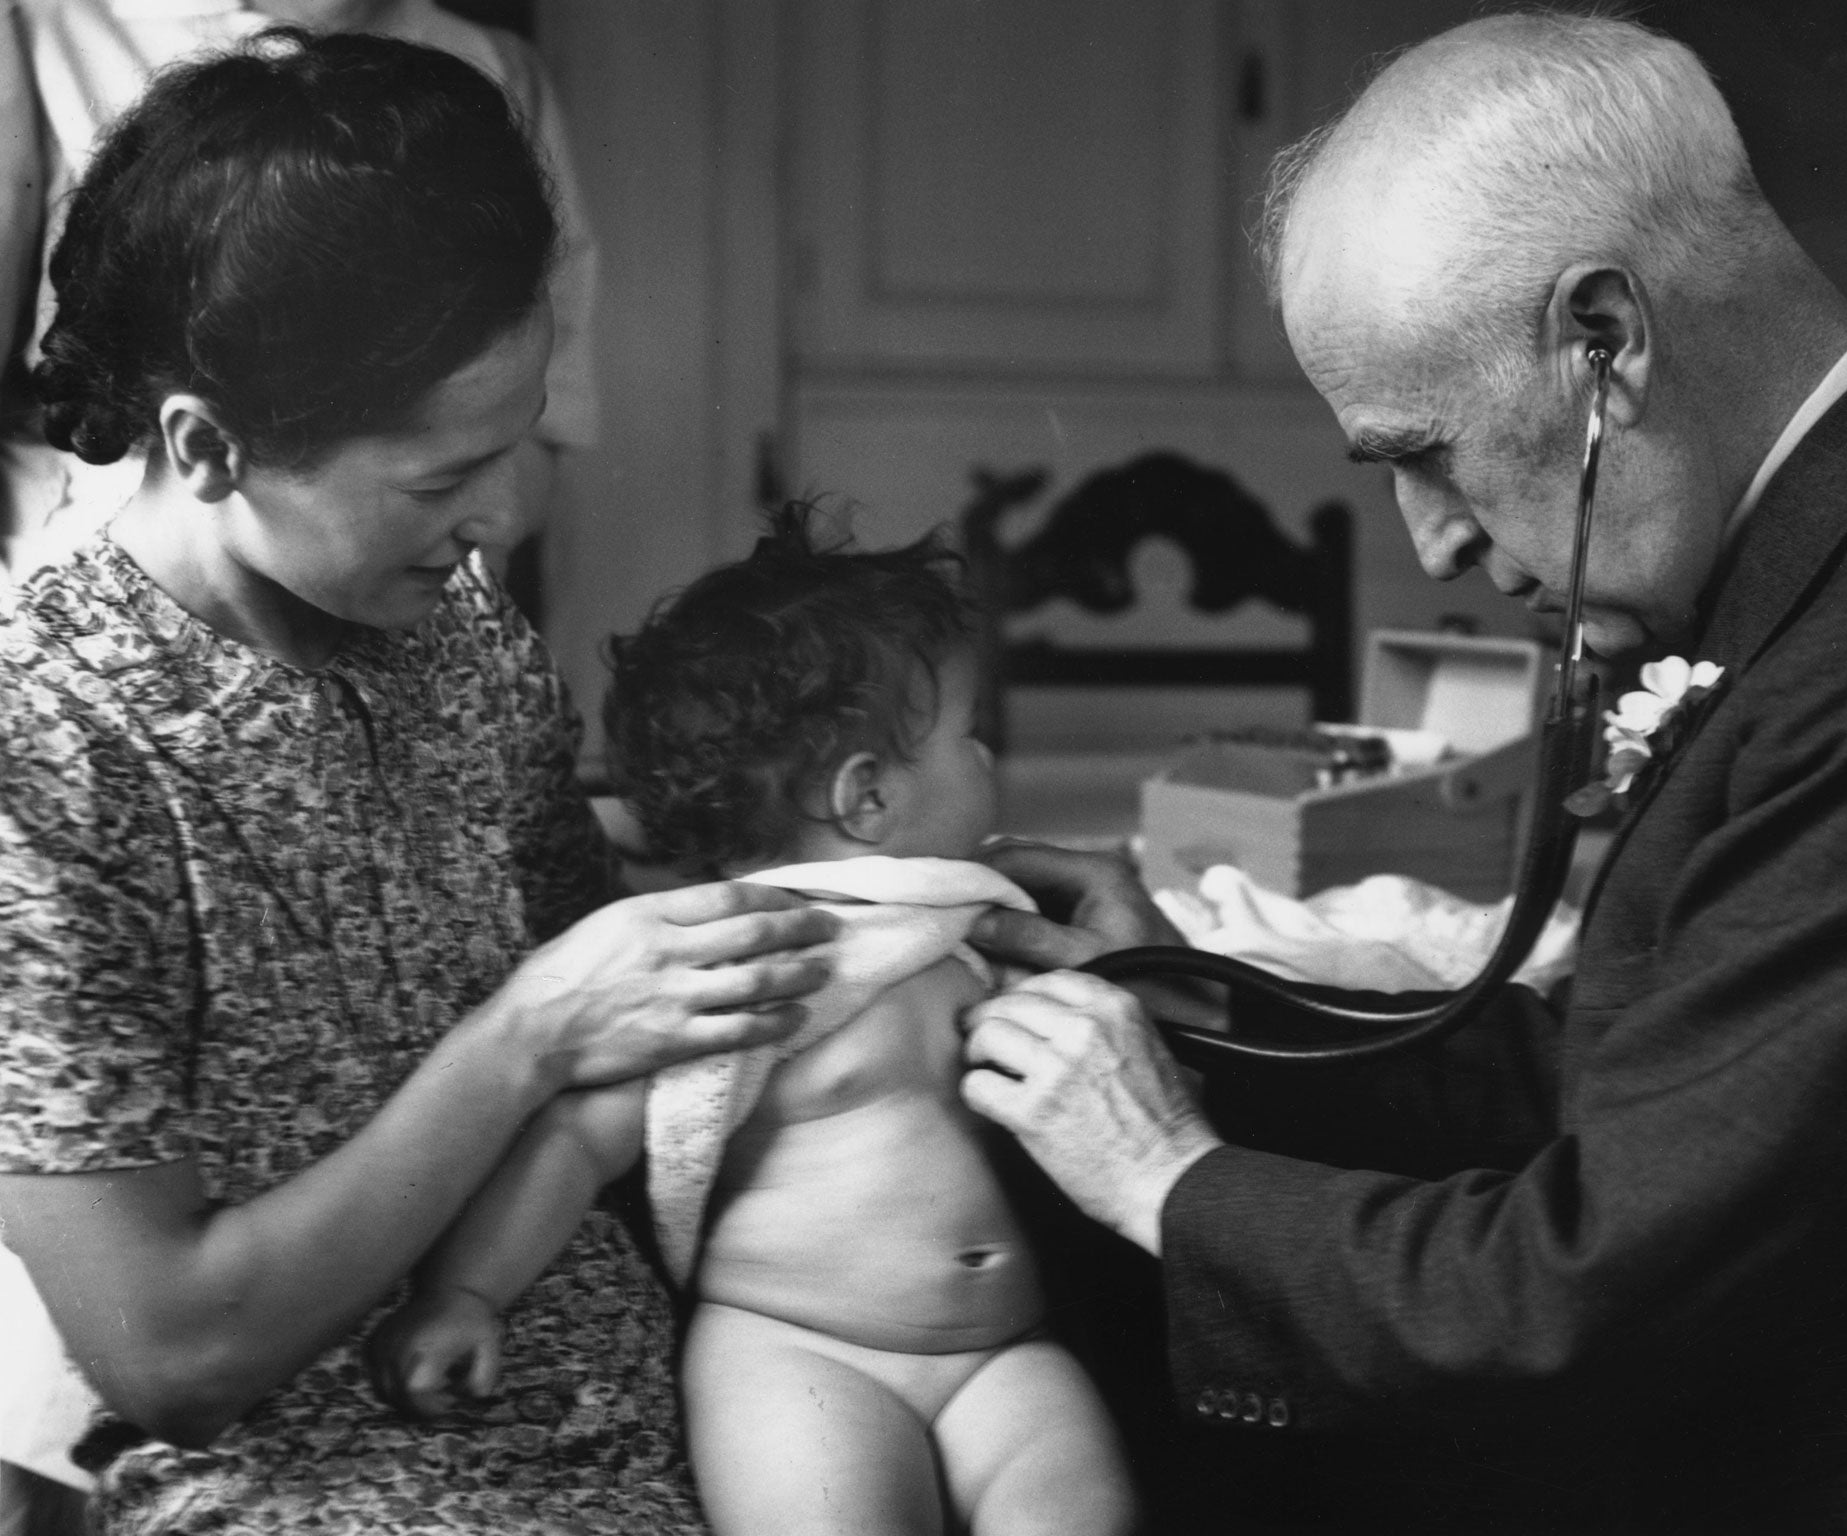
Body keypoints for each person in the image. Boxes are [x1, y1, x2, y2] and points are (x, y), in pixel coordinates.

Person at [958, 11, 1847, 1534]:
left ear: (1604, 338)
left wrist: (1163, 1176)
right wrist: (1179, 991)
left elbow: (1590, 1275)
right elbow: (1631, 1072)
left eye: (1426, 452)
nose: (1439, 544)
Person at [0, 30, 836, 1535]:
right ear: (203, 445)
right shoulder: (44, 752)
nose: (501, 521)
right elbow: (173, 1354)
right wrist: (524, 1034)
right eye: (442, 480)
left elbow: (615, 994)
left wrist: (920, 886)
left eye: (512, 449)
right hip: (323, 1487)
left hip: (645, 1424)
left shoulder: (459, 643)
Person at [367, 507, 1141, 1536]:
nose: (989, 761)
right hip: (802, 1356)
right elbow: (575, 1138)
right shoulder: (747, 965)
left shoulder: (957, 930)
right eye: (969, 735)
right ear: (865, 797)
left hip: (1003, 1352)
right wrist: (467, 1294)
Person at [0, 0, 600, 597]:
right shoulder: (40, 34)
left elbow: (541, 402)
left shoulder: (493, 61)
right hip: (102, 588)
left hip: (397, 597)